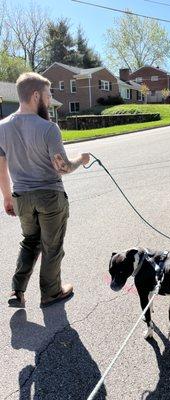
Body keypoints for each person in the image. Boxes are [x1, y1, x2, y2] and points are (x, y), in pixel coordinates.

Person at [0, 72, 90, 308]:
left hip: (22, 197)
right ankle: (51, 293)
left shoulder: (1, 128)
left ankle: (16, 291)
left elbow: (2, 169)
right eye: (49, 96)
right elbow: (63, 168)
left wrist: (7, 198)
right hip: (50, 197)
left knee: (30, 242)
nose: (50, 101)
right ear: (35, 95)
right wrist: (81, 158)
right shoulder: (49, 128)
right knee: (52, 246)